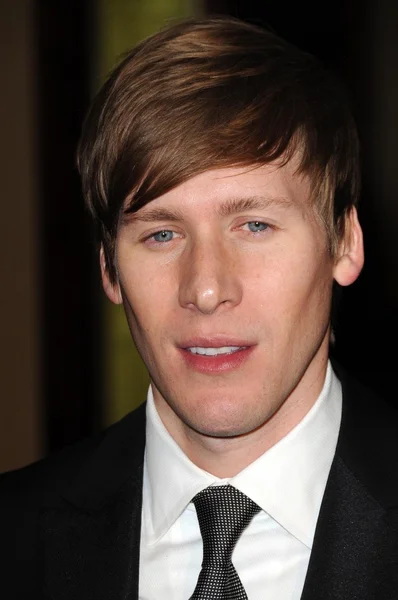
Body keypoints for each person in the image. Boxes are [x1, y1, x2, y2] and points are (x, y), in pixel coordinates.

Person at [2, 15, 398, 600]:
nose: (207, 289)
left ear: (344, 242)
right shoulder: (14, 540)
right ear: (109, 268)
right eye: (162, 234)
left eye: (255, 225)